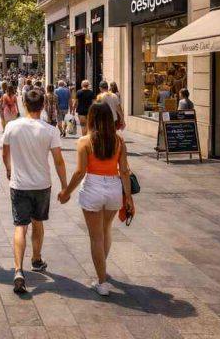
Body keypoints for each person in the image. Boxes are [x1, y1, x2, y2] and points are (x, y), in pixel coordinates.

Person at [62, 103, 133, 296]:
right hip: (114, 188)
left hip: (93, 187)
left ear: (92, 118)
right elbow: (125, 171)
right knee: (106, 229)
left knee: (95, 237)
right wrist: (128, 198)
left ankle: (102, 282)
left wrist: (66, 191)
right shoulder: (119, 141)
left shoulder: (85, 142)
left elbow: (79, 172)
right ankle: (103, 268)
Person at [2, 90, 69, 294]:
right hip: (42, 184)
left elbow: (5, 152)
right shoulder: (50, 130)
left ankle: (18, 270)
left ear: (23, 103)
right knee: (37, 222)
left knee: (20, 226)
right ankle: (36, 259)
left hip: (19, 184)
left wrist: (8, 169)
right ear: (42, 106)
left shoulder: (12, 126)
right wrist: (65, 186)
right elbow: (58, 160)